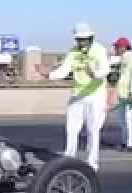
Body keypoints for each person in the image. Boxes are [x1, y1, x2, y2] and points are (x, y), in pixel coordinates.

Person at [47, 22, 111, 170]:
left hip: (95, 95)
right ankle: (69, 159)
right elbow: (64, 70)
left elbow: (105, 70)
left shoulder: (99, 50)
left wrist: (94, 74)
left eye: (84, 39)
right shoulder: (73, 52)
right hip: (77, 95)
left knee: (93, 130)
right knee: (71, 128)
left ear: (90, 37)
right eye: (79, 39)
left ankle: (92, 163)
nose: (82, 42)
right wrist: (48, 75)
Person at [112, 36, 132, 152]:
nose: (115, 49)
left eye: (117, 46)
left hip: (131, 95)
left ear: (123, 47)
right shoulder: (124, 58)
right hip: (123, 95)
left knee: (131, 120)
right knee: (123, 120)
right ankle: (126, 142)